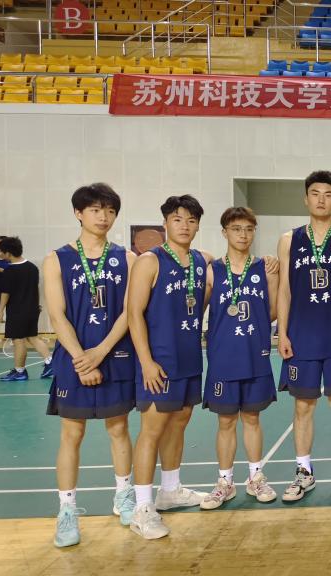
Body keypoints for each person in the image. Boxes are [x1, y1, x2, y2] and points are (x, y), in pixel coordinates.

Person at [43, 184, 137, 547]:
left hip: (114, 354)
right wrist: (83, 359)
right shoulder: (57, 259)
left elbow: (129, 312)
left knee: (119, 428)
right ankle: (66, 510)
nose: (104, 217)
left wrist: (101, 351)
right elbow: (57, 315)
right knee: (72, 434)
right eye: (96, 210)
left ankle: (124, 495)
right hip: (74, 357)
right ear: (78, 213)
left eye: (110, 210)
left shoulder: (127, 258)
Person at [277, 170, 331, 502]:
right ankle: (304, 472)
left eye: (328, 194)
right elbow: (284, 290)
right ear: (306, 199)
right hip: (301, 336)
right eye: (315, 193)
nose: (321, 200)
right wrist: (281, 332)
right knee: (303, 406)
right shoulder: (289, 240)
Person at [127, 195, 212, 539]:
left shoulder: (201, 261)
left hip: (189, 357)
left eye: (191, 220)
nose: (185, 226)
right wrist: (146, 362)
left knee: (179, 423)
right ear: (165, 223)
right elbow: (133, 314)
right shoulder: (150, 261)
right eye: (178, 219)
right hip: (159, 360)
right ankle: (142, 508)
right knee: (152, 429)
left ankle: (170, 490)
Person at [199, 207, 280, 510]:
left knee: (253, 418)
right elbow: (198, 310)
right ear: (224, 232)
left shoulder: (266, 268)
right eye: (236, 229)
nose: (243, 235)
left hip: (255, 353)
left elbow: (273, 311)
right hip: (223, 356)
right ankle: (225, 482)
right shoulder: (212, 270)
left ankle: (256, 477)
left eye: (248, 229)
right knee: (226, 421)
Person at [0, 236, 53, 381]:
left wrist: (0, 310)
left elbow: (5, 293)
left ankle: (20, 371)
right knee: (33, 337)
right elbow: (35, 288)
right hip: (32, 309)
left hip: (17, 311)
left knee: (18, 341)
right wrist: (37, 304)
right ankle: (50, 362)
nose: (0, 254)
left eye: (1, 251)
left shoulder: (9, 271)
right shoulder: (32, 268)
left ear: (8, 253)